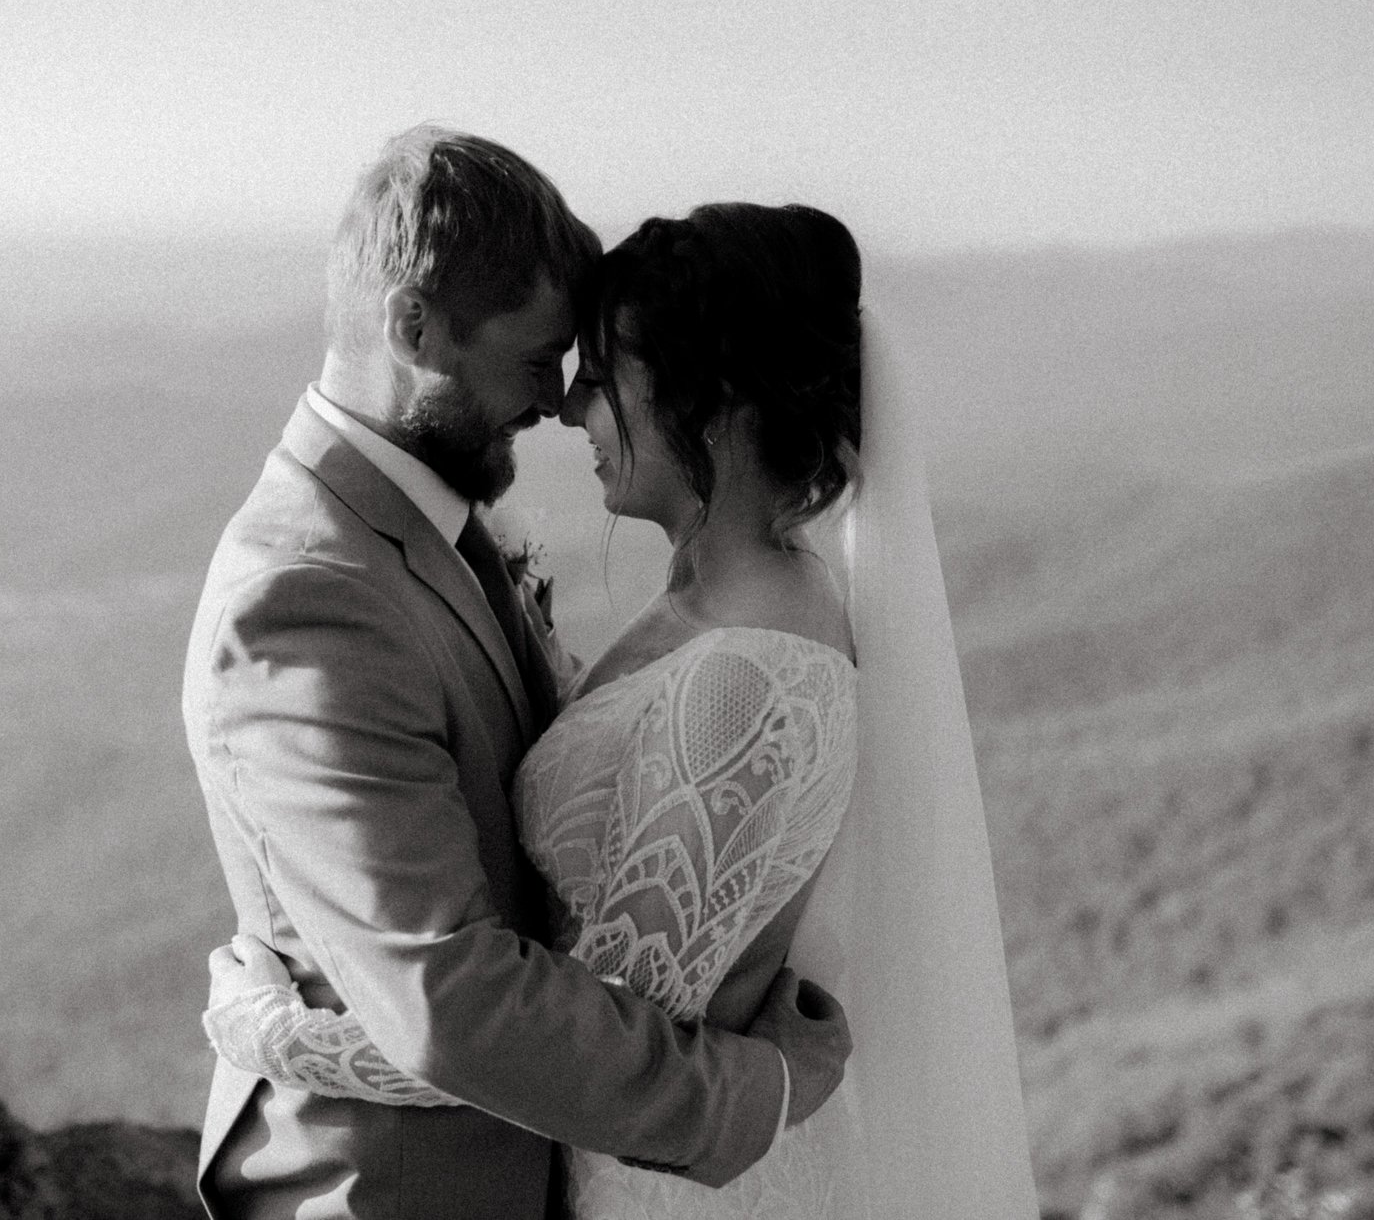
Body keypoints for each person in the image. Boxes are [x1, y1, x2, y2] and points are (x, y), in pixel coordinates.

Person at [202, 200, 1041, 1216]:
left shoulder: (747, 680)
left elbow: (585, 1052)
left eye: (598, 379)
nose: (566, 411)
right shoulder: (719, 606)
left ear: (714, 398)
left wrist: (274, 1034)